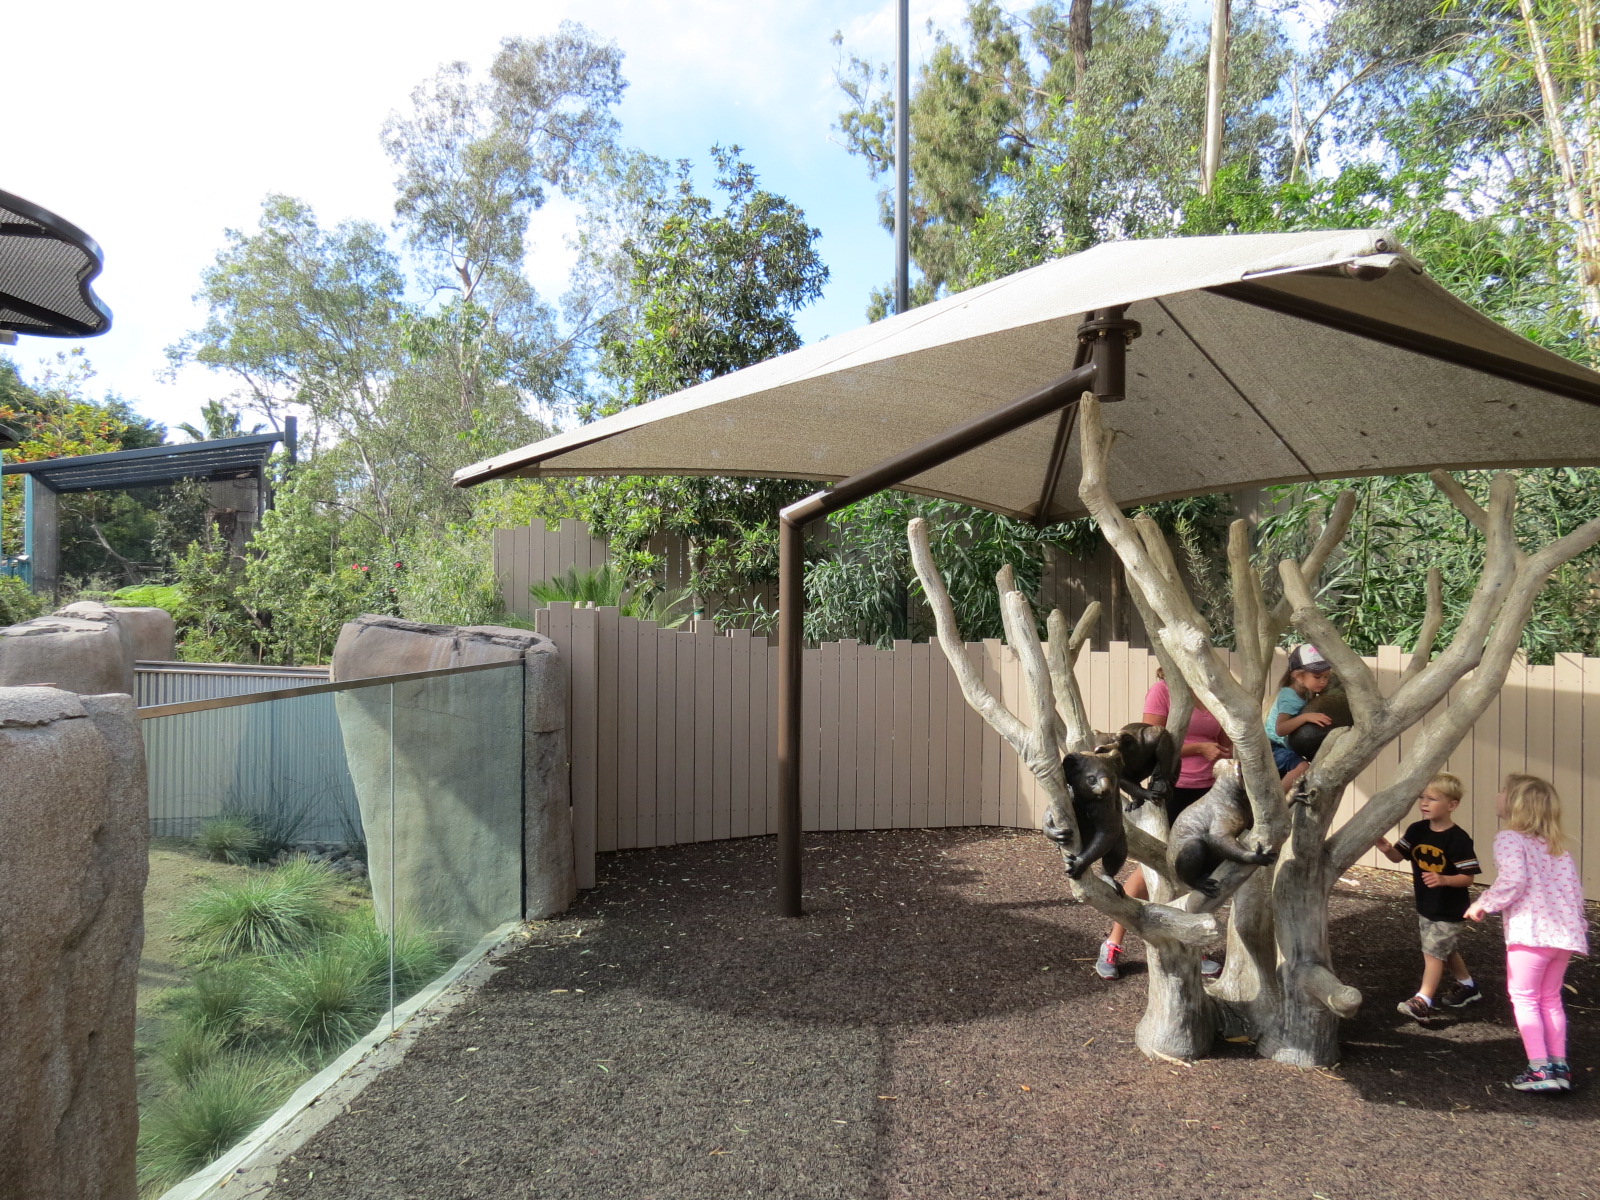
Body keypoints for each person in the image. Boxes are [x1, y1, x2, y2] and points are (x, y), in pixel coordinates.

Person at [1095, 668, 1230, 981]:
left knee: (1195, 869)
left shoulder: (1211, 690)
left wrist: (1224, 760)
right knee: (1153, 869)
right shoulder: (1163, 691)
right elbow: (1155, 749)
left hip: (1208, 790)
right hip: (1171, 790)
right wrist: (1198, 749)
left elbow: (1223, 740)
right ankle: (1113, 942)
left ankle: (1192, 942)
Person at [1464, 775, 1589, 1093]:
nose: (1498, 793)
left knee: (1525, 999)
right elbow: (1575, 892)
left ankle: (1538, 1070)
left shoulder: (1509, 838)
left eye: (1504, 790)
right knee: (1550, 1000)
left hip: (1531, 934)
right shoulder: (1556, 845)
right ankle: (1559, 1067)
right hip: (1563, 937)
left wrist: (1484, 903)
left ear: (1515, 803)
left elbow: (1513, 880)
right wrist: (1579, 929)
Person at [1374, 773, 1481, 1019]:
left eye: (1432, 799)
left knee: (1433, 952)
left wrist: (1444, 879)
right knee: (1445, 949)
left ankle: (1423, 1000)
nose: (1424, 803)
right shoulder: (1417, 830)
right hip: (1426, 905)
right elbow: (1398, 856)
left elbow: (1468, 877)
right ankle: (1468, 986)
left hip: (1450, 908)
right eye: (1422, 797)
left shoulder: (1458, 839)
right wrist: (1387, 848)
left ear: (1452, 805)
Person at [1265, 644, 1335, 790]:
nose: (1323, 681)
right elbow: (1281, 729)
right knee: (1303, 767)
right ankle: (1277, 801)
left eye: (1326, 677)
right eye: (1317, 676)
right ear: (1298, 675)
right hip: (1273, 747)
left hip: (1283, 747)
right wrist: (1306, 717)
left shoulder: (1306, 693)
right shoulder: (1289, 696)